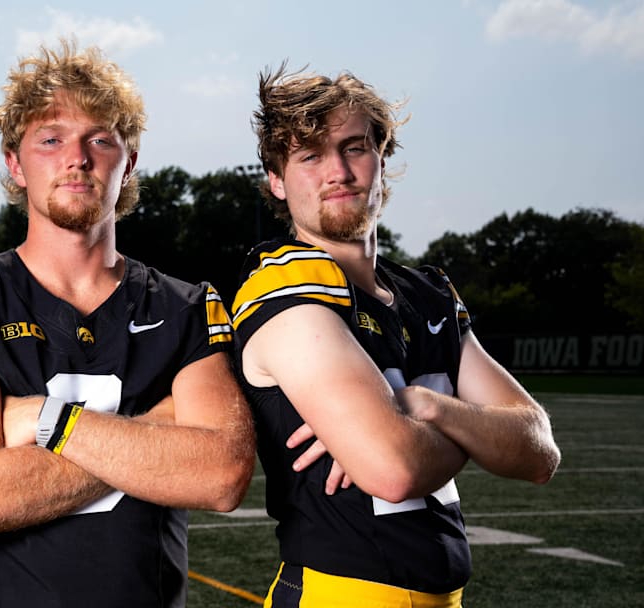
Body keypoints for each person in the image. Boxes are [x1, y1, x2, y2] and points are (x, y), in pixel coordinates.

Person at [0, 40, 255, 607]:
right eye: (50, 139)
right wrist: (155, 433)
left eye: (100, 139)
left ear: (128, 161)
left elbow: (221, 475)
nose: (77, 157)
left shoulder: (188, 306)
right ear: (14, 164)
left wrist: (48, 419)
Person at [231, 64, 562, 607]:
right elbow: (394, 468)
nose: (338, 171)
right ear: (276, 179)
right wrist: (475, 430)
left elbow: (538, 450)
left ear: (382, 158)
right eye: (310, 156)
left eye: (354, 148)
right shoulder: (285, 287)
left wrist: (426, 405)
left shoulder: (427, 293)